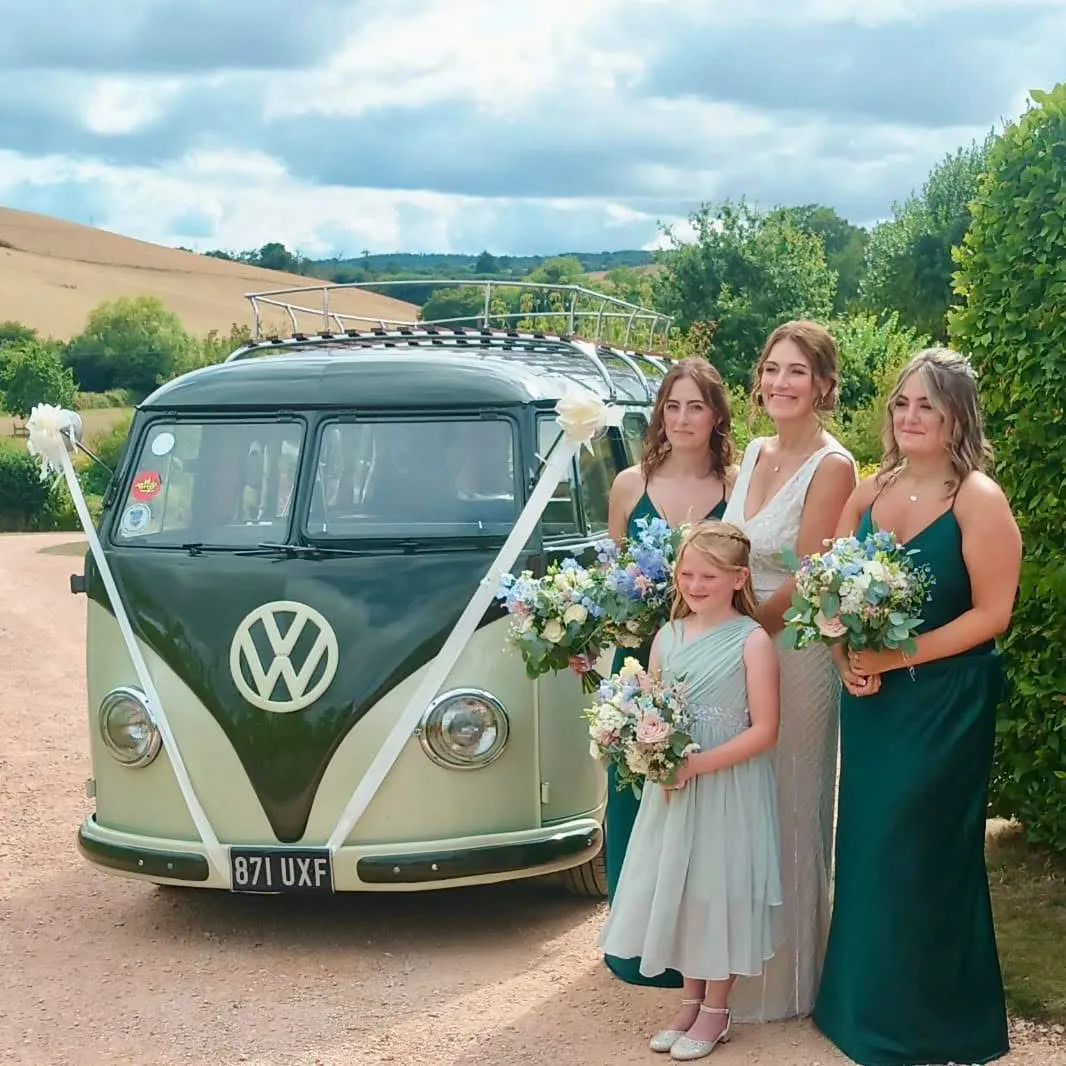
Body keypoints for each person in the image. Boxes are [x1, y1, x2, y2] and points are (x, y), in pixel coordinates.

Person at [812, 348, 1020, 1066]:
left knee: (924, 849)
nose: (909, 417)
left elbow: (994, 613)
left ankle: (938, 1022)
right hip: (872, 705)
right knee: (868, 845)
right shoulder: (869, 492)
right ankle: (861, 1010)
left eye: (926, 406)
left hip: (945, 705)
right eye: (901, 404)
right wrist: (845, 661)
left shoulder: (979, 501)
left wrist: (898, 657)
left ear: (957, 414)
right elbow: (829, 595)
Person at [598, 521, 783, 1062]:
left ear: (737, 579)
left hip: (726, 784)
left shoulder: (752, 641)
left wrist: (698, 764)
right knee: (680, 886)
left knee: (716, 888)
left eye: (708, 575)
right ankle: (690, 997)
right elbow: (649, 707)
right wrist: (645, 749)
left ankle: (718, 1009)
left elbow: (765, 730)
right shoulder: (667, 635)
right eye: (686, 574)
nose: (695, 585)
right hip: (674, 786)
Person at [721, 320, 857, 1021]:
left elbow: (810, 574)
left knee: (793, 803)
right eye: (771, 368)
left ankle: (795, 979)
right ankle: (732, 970)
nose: (779, 382)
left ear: (824, 385)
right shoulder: (752, 450)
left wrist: (740, 630)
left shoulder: (834, 466)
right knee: (742, 806)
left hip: (795, 653)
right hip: (742, 642)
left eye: (796, 371)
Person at [603, 356, 738, 989]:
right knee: (638, 791)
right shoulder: (631, 484)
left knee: (700, 803)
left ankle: (695, 948)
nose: (682, 419)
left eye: (696, 407)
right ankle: (635, 942)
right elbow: (613, 580)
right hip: (641, 655)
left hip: (710, 661)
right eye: (672, 406)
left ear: (717, 417)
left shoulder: (739, 486)